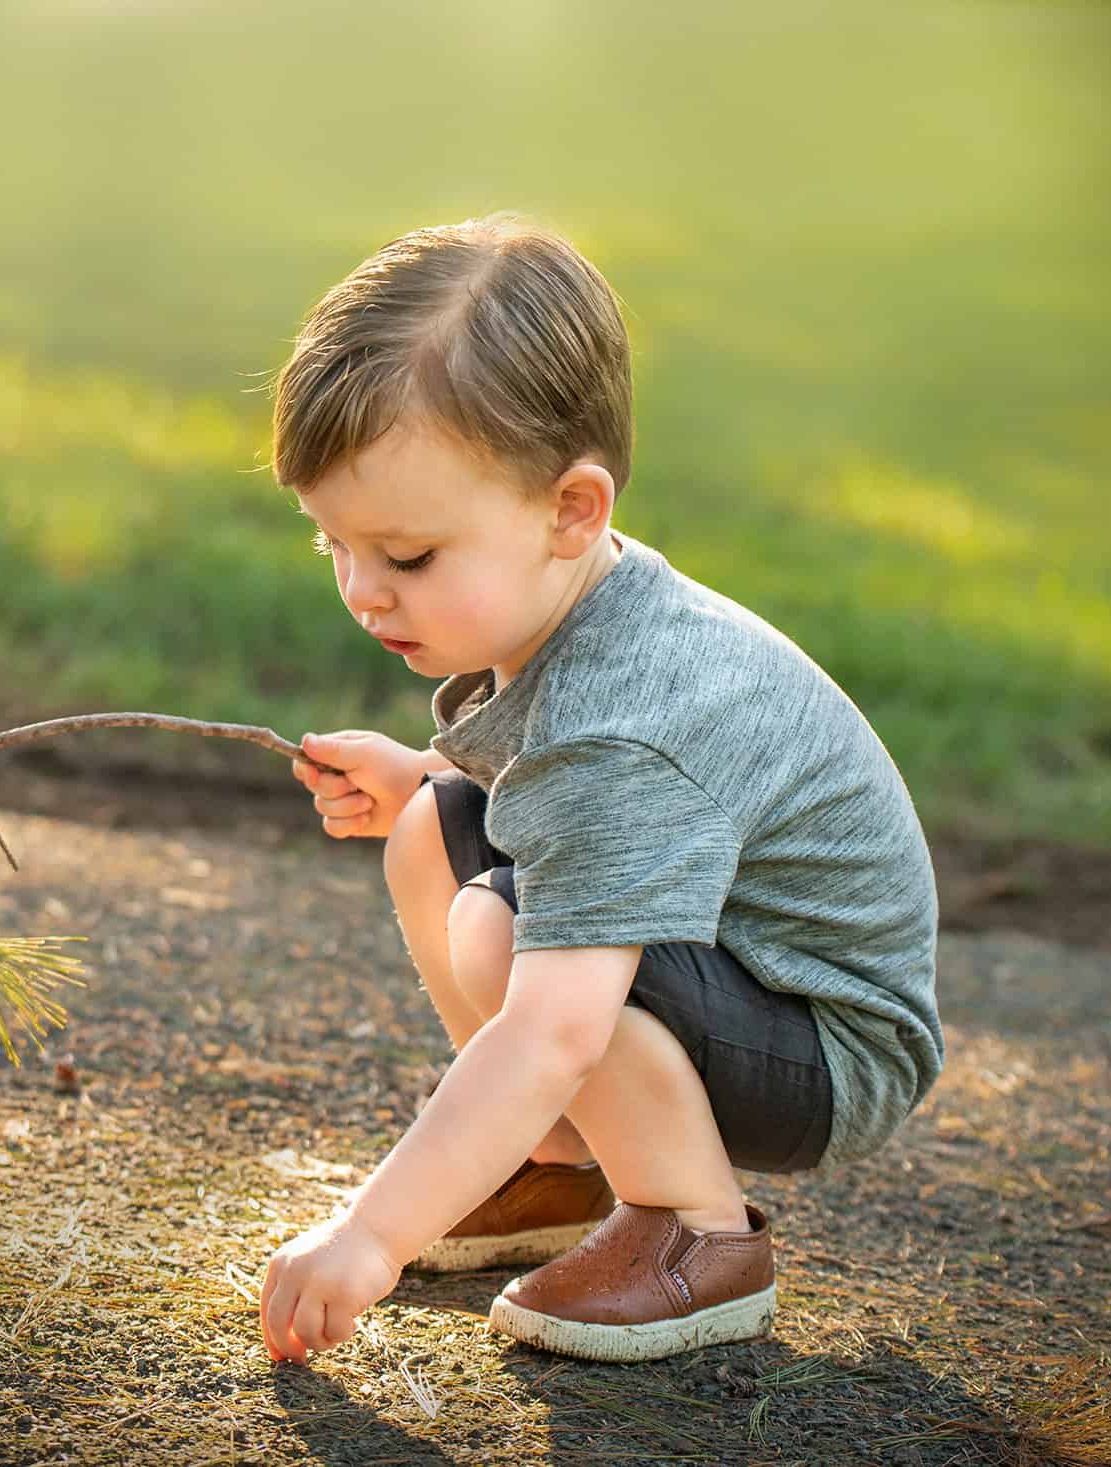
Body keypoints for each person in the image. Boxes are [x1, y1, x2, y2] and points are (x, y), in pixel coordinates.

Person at [257, 214, 941, 1365]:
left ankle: (695, 1235)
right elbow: (562, 802)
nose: (362, 591)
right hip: (727, 956)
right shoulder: (577, 606)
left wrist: (369, 1238)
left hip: (824, 1042)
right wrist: (420, 772)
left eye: (407, 556)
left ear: (571, 510)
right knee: (431, 828)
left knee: (503, 931)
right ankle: (552, 1167)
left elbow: (555, 1026)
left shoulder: (620, 721)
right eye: (333, 544)